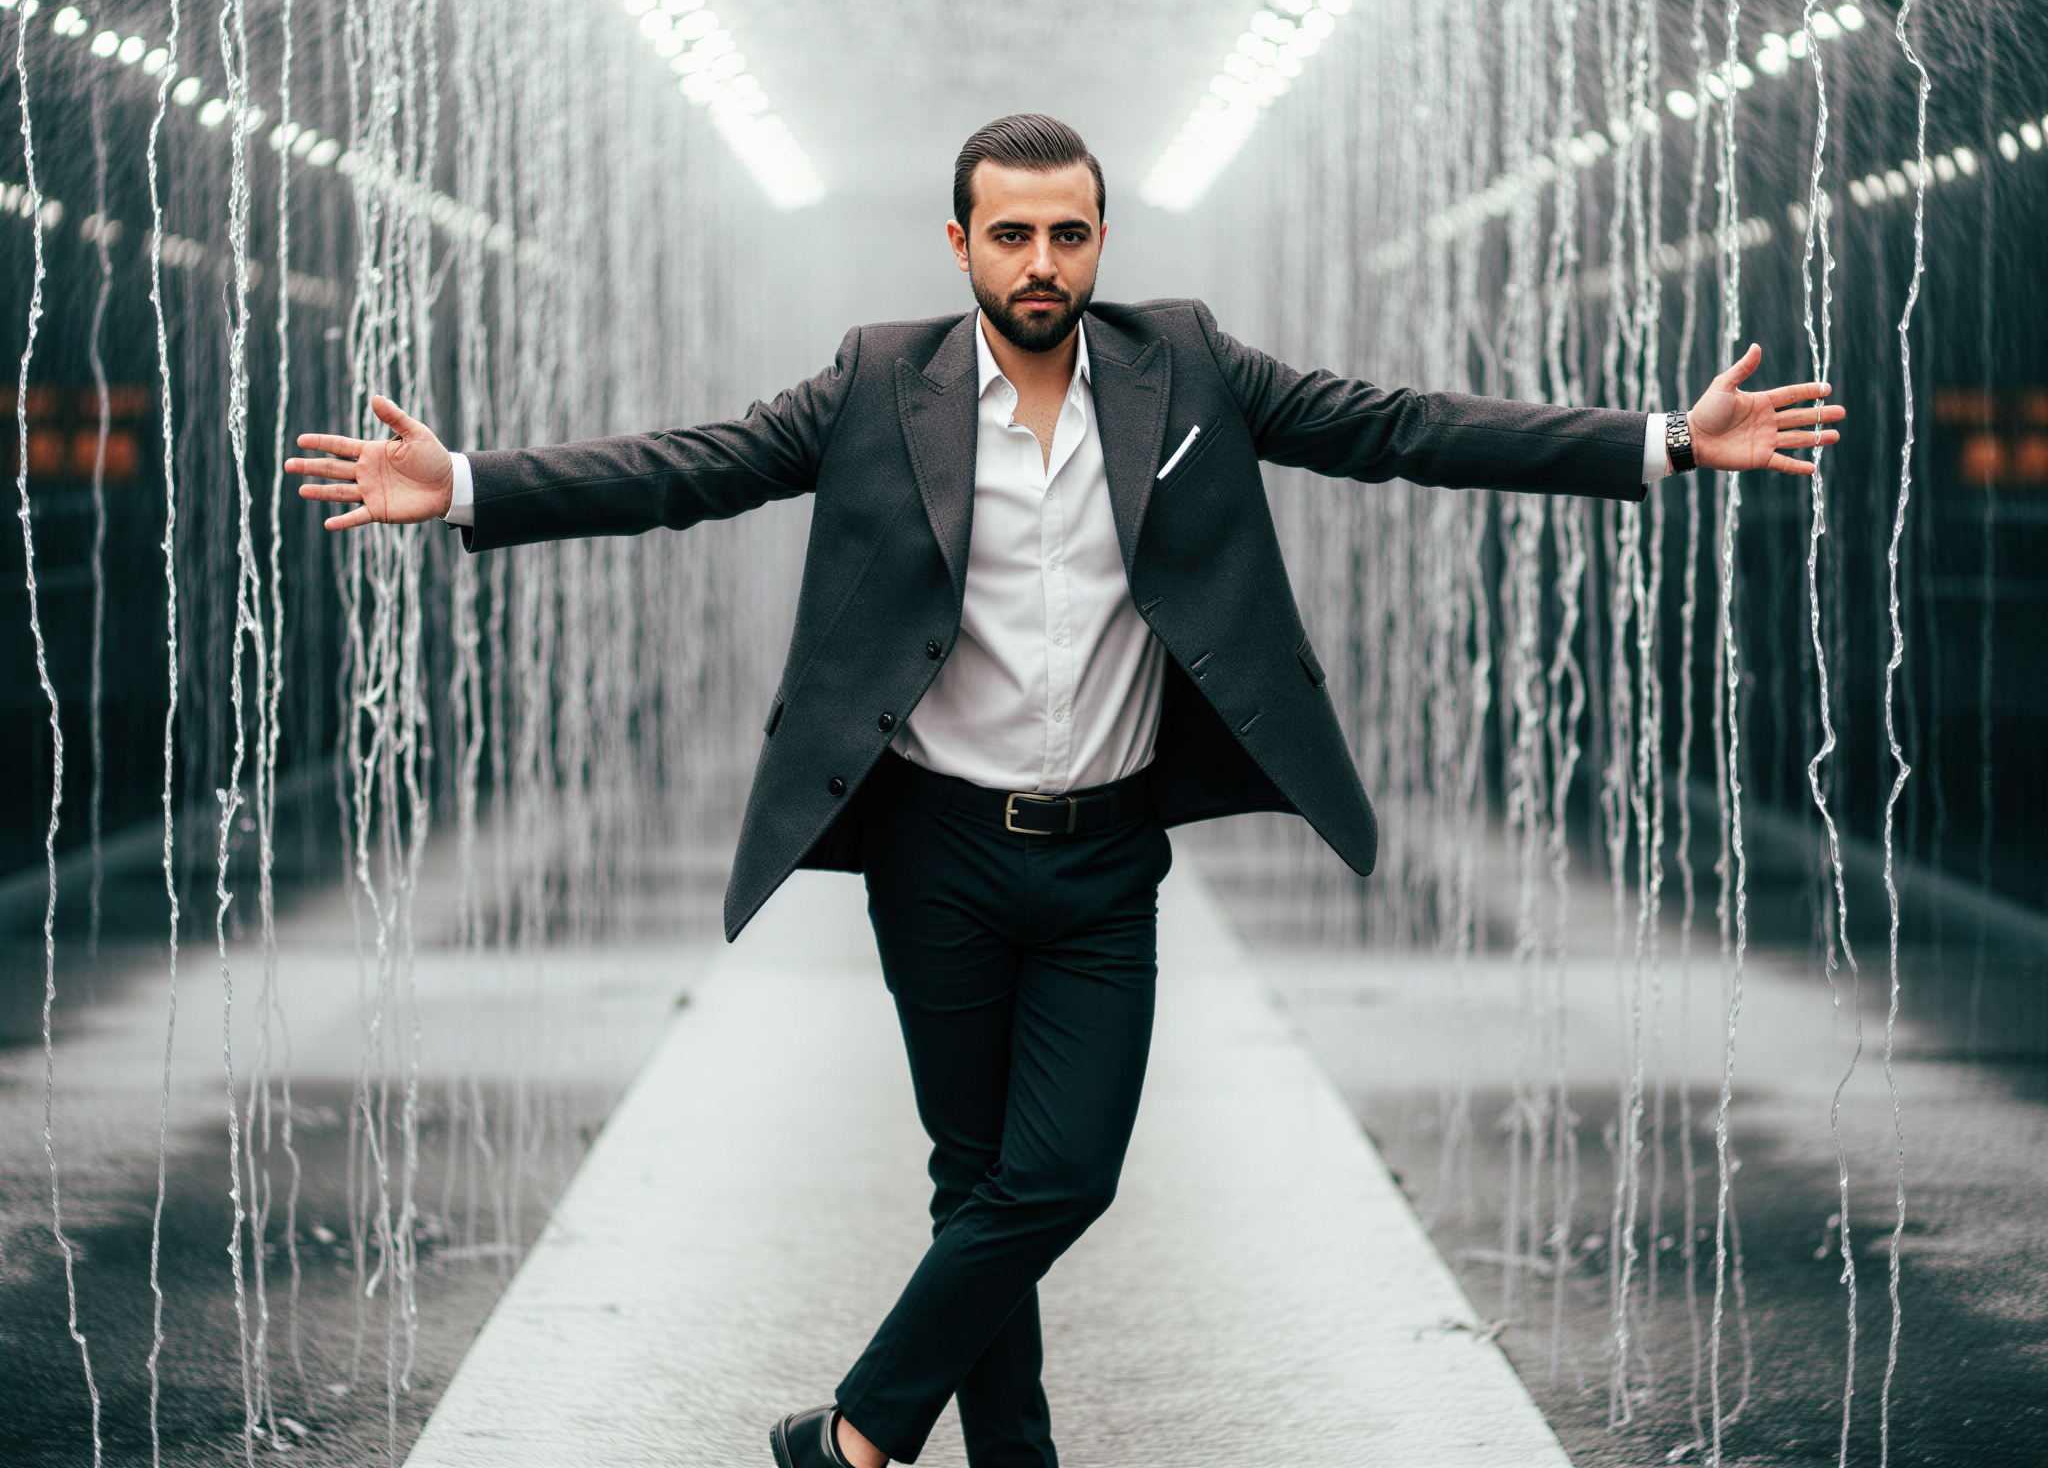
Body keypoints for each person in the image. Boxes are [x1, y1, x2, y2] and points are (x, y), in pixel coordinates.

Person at [288, 114, 1842, 1468]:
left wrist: (1663, 446)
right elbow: (689, 467)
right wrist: (473, 483)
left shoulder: (1190, 367)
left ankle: (852, 1436)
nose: (1044, 259)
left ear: (1103, 240)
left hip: (1105, 862)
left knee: (1060, 1176)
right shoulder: (876, 381)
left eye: (1071, 232)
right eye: (1014, 232)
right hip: (938, 853)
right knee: (981, 1188)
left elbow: (1400, 428)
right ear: (959, 241)